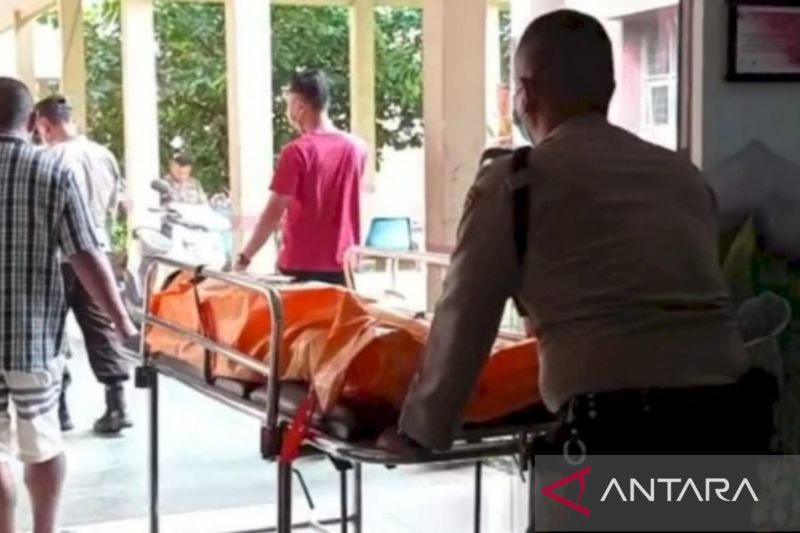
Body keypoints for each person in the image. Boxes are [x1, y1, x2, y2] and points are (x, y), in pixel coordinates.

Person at [380, 10, 774, 457]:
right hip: (730, 422)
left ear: (525, 93)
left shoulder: (516, 180)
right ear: (609, 88)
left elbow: (464, 315)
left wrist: (421, 431)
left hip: (613, 428)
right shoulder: (682, 174)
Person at [0, 77, 136, 533]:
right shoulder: (51, 171)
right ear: (31, 122)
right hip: (33, 339)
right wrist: (123, 321)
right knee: (43, 446)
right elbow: (86, 254)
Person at [34, 95, 133, 435]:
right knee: (101, 327)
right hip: (98, 255)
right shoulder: (104, 155)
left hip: (57, 259)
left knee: (51, 331)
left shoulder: (47, 159)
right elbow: (113, 206)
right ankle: (116, 403)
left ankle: (59, 408)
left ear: (44, 125)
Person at [234, 70, 367, 285]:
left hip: (301, 264)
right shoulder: (357, 148)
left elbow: (273, 214)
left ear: (299, 106)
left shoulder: (296, 151)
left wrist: (245, 258)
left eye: (289, 104)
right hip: (344, 263)